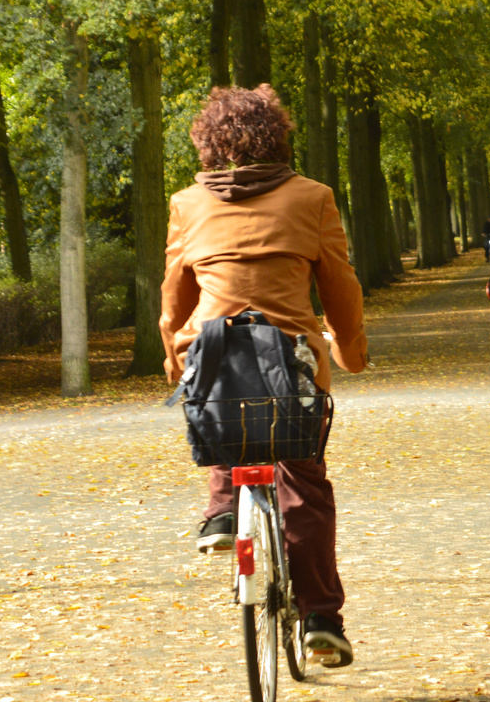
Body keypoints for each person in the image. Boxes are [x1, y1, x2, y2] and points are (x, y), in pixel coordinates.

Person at [160, 84, 364, 668]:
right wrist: (348, 349)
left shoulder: (187, 205)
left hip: (213, 358)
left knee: (226, 410)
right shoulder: (313, 198)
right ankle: (321, 617)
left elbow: (174, 299)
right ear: (279, 136)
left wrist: (177, 361)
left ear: (209, 142)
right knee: (305, 483)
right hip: (293, 361)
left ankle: (223, 510)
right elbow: (340, 286)